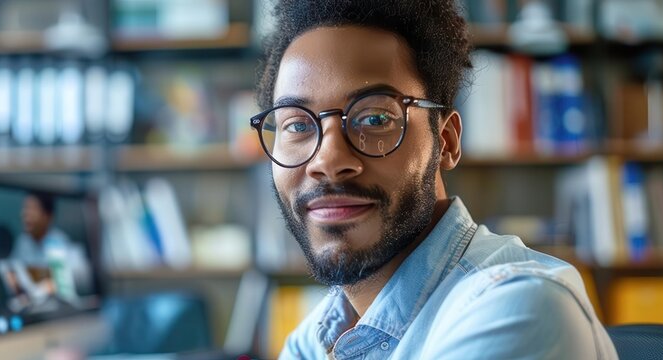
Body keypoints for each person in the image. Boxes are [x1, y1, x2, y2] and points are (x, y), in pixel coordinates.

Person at [250, 1, 617, 359]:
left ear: (446, 141)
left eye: (375, 119)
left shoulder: (518, 307)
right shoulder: (315, 339)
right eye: (297, 125)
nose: (327, 161)